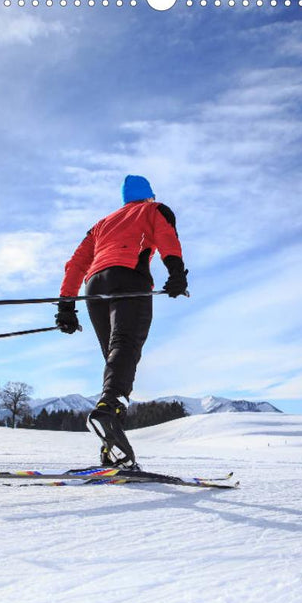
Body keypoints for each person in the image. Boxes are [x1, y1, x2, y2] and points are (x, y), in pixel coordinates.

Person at [55, 175, 189, 470]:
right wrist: (177, 273)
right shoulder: (153, 210)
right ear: (149, 195)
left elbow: (76, 262)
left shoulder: (101, 224)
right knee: (125, 348)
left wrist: (67, 305)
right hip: (129, 279)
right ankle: (108, 411)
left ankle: (114, 450)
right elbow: (167, 238)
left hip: (94, 288)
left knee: (116, 362)